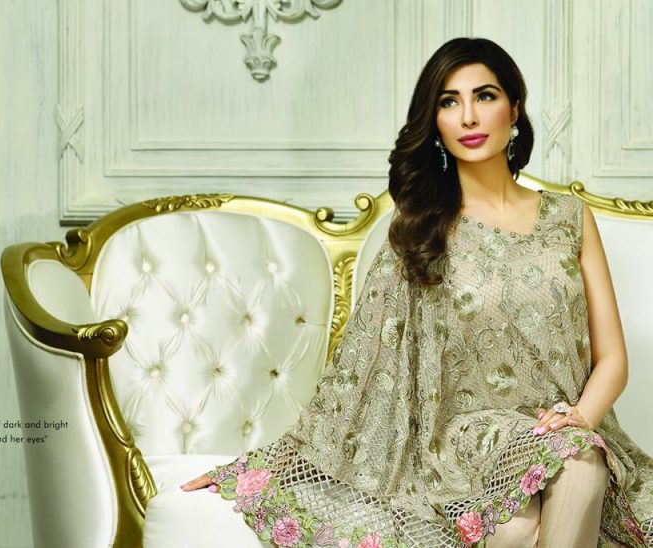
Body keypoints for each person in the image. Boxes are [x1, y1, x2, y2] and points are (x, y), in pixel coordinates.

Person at [181, 37, 653, 547]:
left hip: (565, 425)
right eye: (450, 102)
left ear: (514, 107)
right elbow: (357, 374)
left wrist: (577, 419)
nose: (469, 116)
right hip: (468, 444)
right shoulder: (421, 230)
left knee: (578, 463)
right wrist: (263, 465)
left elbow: (612, 357)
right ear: (435, 122)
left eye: (485, 96)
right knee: (524, 517)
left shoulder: (568, 218)